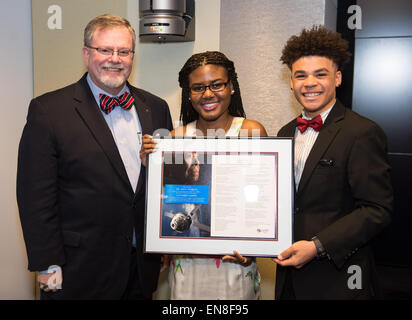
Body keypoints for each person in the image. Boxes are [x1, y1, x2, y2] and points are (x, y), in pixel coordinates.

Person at [17, 14, 173, 299]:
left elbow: (163, 182)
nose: (115, 59)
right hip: (77, 270)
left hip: (140, 268)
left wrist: (163, 242)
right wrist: (47, 263)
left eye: (123, 51)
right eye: (105, 50)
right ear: (86, 53)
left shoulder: (156, 107)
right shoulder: (49, 111)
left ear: (132, 56)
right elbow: (35, 197)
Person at [273, 25, 393, 299]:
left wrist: (317, 246)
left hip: (339, 281)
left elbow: (377, 210)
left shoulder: (361, 132)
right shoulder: (284, 132)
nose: (309, 83)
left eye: (320, 74)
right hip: (288, 279)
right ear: (291, 82)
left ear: (337, 78)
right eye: (300, 75)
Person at [140, 51, 267, 299]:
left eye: (217, 85)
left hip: (236, 261)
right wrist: (150, 166)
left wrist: (256, 244)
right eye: (198, 88)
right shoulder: (174, 138)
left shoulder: (250, 131)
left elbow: (261, 198)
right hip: (188, 262)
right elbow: (166, 200)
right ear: (189, 95)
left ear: (231, 87)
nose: (208, 94)